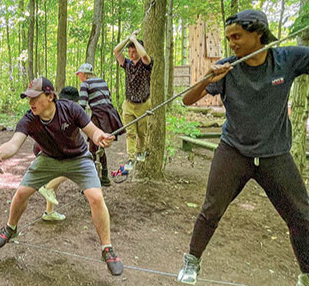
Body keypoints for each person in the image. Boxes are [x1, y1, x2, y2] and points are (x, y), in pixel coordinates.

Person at [176, 10, 309, 286]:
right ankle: (192, 262)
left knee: (301, 215)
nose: (231, 43)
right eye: (228, 38)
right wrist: (207, 78)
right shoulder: (227, 67)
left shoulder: (286, 59)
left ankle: (306, 273)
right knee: (211, 210)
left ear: (258, 33)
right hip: (233, 151)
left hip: (275, 154)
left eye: (236, 36)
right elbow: (187, 100)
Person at [0, 77, 124, 276]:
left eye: (35, 97)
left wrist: (100, 137)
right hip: (48, 159)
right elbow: (13, 145)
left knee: (96, 197)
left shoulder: (71, 109)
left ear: (50, 96)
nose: (30, 102)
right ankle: (10, 228)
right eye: (28, 98)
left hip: (79, 158)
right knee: (21, 193)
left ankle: (107, 249)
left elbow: (92, 131)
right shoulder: (29, 119)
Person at [36, 86, 85, 221]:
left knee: (57, 176)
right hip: (48, 150)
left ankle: (49, 212)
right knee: (68, 168)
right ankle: (47, 187)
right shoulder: (63, 113)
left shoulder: (59, 110)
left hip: (44, 148)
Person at [76, 63, 124, 186]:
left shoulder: (85, 84)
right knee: (99, 146)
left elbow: (81, 105)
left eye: (79, 74)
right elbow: (109, 98)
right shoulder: (102, 81)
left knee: (93, 147)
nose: (78, 76)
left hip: (99, 116)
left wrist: (76, 122)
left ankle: (93, 179)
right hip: (111, 114)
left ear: (83, 74)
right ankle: (104, 176)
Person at [113, 31, 153, 171]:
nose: (131, 53)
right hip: (129, 104)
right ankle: (130, 158)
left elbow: (144, 56)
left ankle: (140, 151)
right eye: (129, 51)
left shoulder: (146, 64)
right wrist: (128, 38)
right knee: (130, 133)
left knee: (142, 133)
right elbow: (116, 51)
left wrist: (135, 40)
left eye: (133, 50)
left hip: (143, 104)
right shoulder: (127, 64)